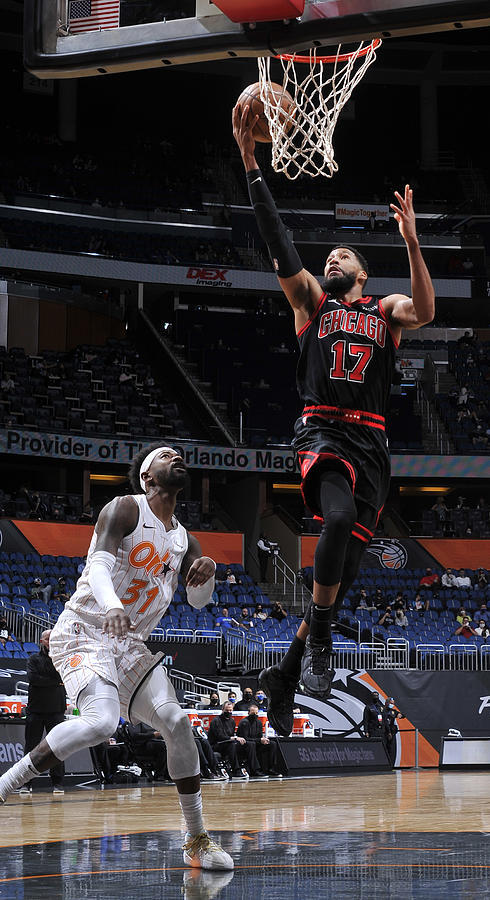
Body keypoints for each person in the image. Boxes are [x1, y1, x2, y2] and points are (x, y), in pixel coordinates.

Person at [233, 102, 434, 736]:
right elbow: (278, 239)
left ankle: (287, 673)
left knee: (343, 576)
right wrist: (251, 166)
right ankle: (318, 642)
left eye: (345, 255)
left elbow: (426, 309)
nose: (333, 258)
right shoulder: (311, 304)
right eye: (330, 255)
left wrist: (412, 244)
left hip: (372, 443)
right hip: (323, 429)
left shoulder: (385, 310)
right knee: (337, 518)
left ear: (363, 274)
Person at [0, 443, 233, 872]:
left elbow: (199, 603)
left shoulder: (185, 539)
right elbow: (99, 568)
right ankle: (6, 785)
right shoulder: (125, 508)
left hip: (129, 643)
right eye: (166, 455)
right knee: (103, 722)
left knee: (179, 723)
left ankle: (196, 840)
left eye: (180, 454)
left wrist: (209, 573)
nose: (177, 457)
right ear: (147, 477)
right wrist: (111, 606)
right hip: (86, 628)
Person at [20, 629, 66, 795]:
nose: (51, 641)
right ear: (42, 641)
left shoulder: (61, 659)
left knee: (57, 748)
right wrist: (56, 682)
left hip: (56, 710)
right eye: (48, 639)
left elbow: (64, 678)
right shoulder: (33, 659)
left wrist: (54, 681)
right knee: (31, 748)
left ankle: (58, 783)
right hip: (36, 710)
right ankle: (26, 783)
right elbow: (34, 679)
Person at [236, 702, 280, 777]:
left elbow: (259, 737)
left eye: (256, 713)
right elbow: (245, 738)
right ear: (248, 713)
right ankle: (255, 770)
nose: (255, 715)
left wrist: (263, 740)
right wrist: (259, 740)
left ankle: (271, 769)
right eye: (253, 713)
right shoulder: (244, 722)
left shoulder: (259, 723)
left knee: (272, 744)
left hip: (255, 743)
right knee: (251, 744)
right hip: (244, 745)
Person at [207, 701, 248, 779]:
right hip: (215, 744)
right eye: (227, 710)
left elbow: (231, 735)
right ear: (222, 710)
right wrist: (234, 738)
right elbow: (220, 736)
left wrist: (235, 739)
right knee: (232, 744)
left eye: (230, 710)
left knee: (243, 744)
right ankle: (235, 770)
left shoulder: (232, 721)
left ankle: (246, 767)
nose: (229, 712)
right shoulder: (216, 721)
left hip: (227, 743)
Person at [382, 697, 402, 764]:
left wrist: (400, 715)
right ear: (387, 703)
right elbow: (384, 722)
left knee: (390, 747)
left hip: (391, 731)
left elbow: (402, 715)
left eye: (393, 704)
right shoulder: (382, 710)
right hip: (384, 731)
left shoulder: (393, 711)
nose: (392, 705)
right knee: (383, 747)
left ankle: (389, 763)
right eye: (391, 703)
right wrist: (388, 732)